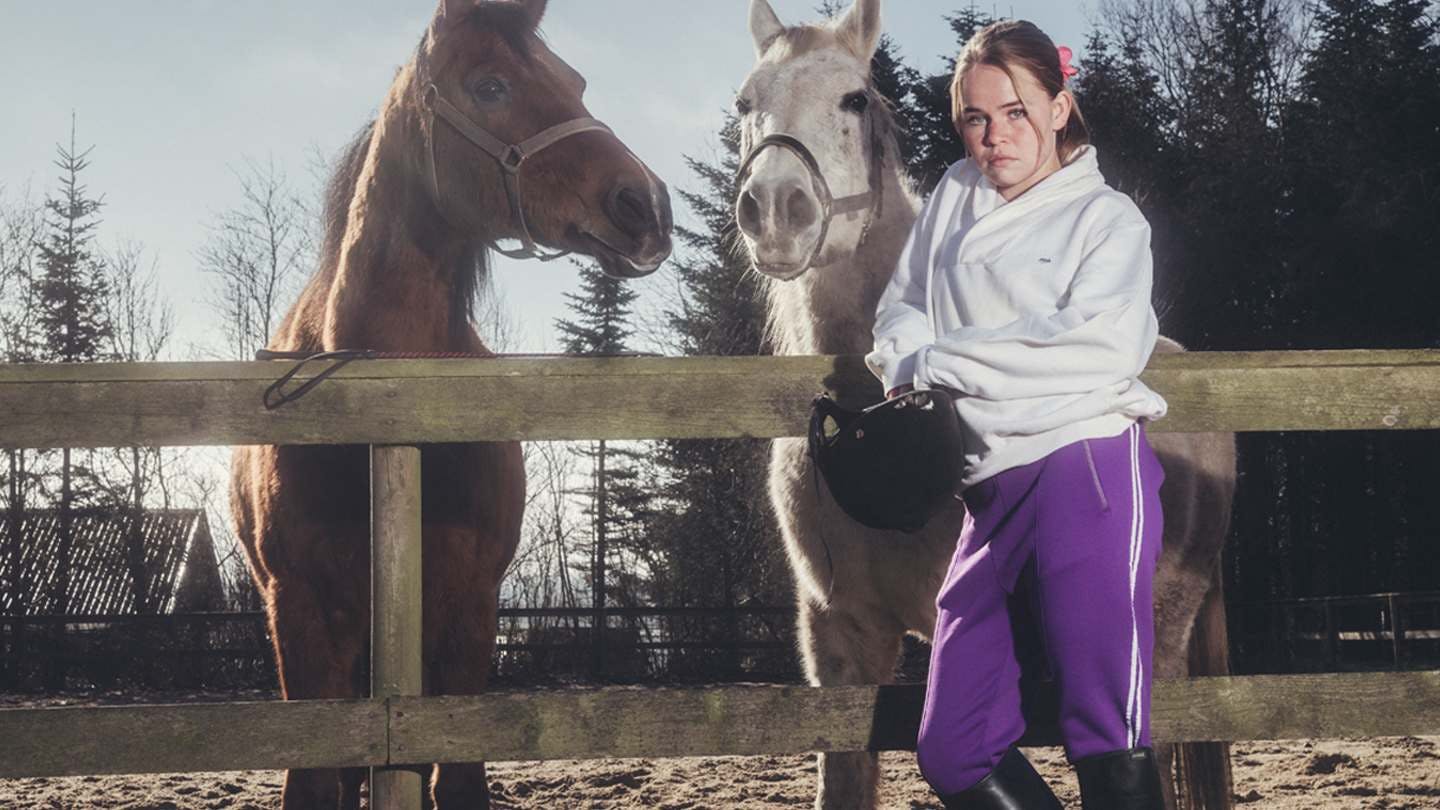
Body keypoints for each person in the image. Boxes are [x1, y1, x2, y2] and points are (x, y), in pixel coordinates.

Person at [865, 19, 1171, 810]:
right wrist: (910, 358)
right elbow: (901, 311)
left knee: (1106, 729)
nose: (994, 137)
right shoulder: (956, 196)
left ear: (1059, 107)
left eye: (1015, 113)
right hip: (986, 491)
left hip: (1088, 471)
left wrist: (939, 362)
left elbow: (1098, 351)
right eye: (974, 117)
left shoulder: (1107, 221)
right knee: (953, 749)